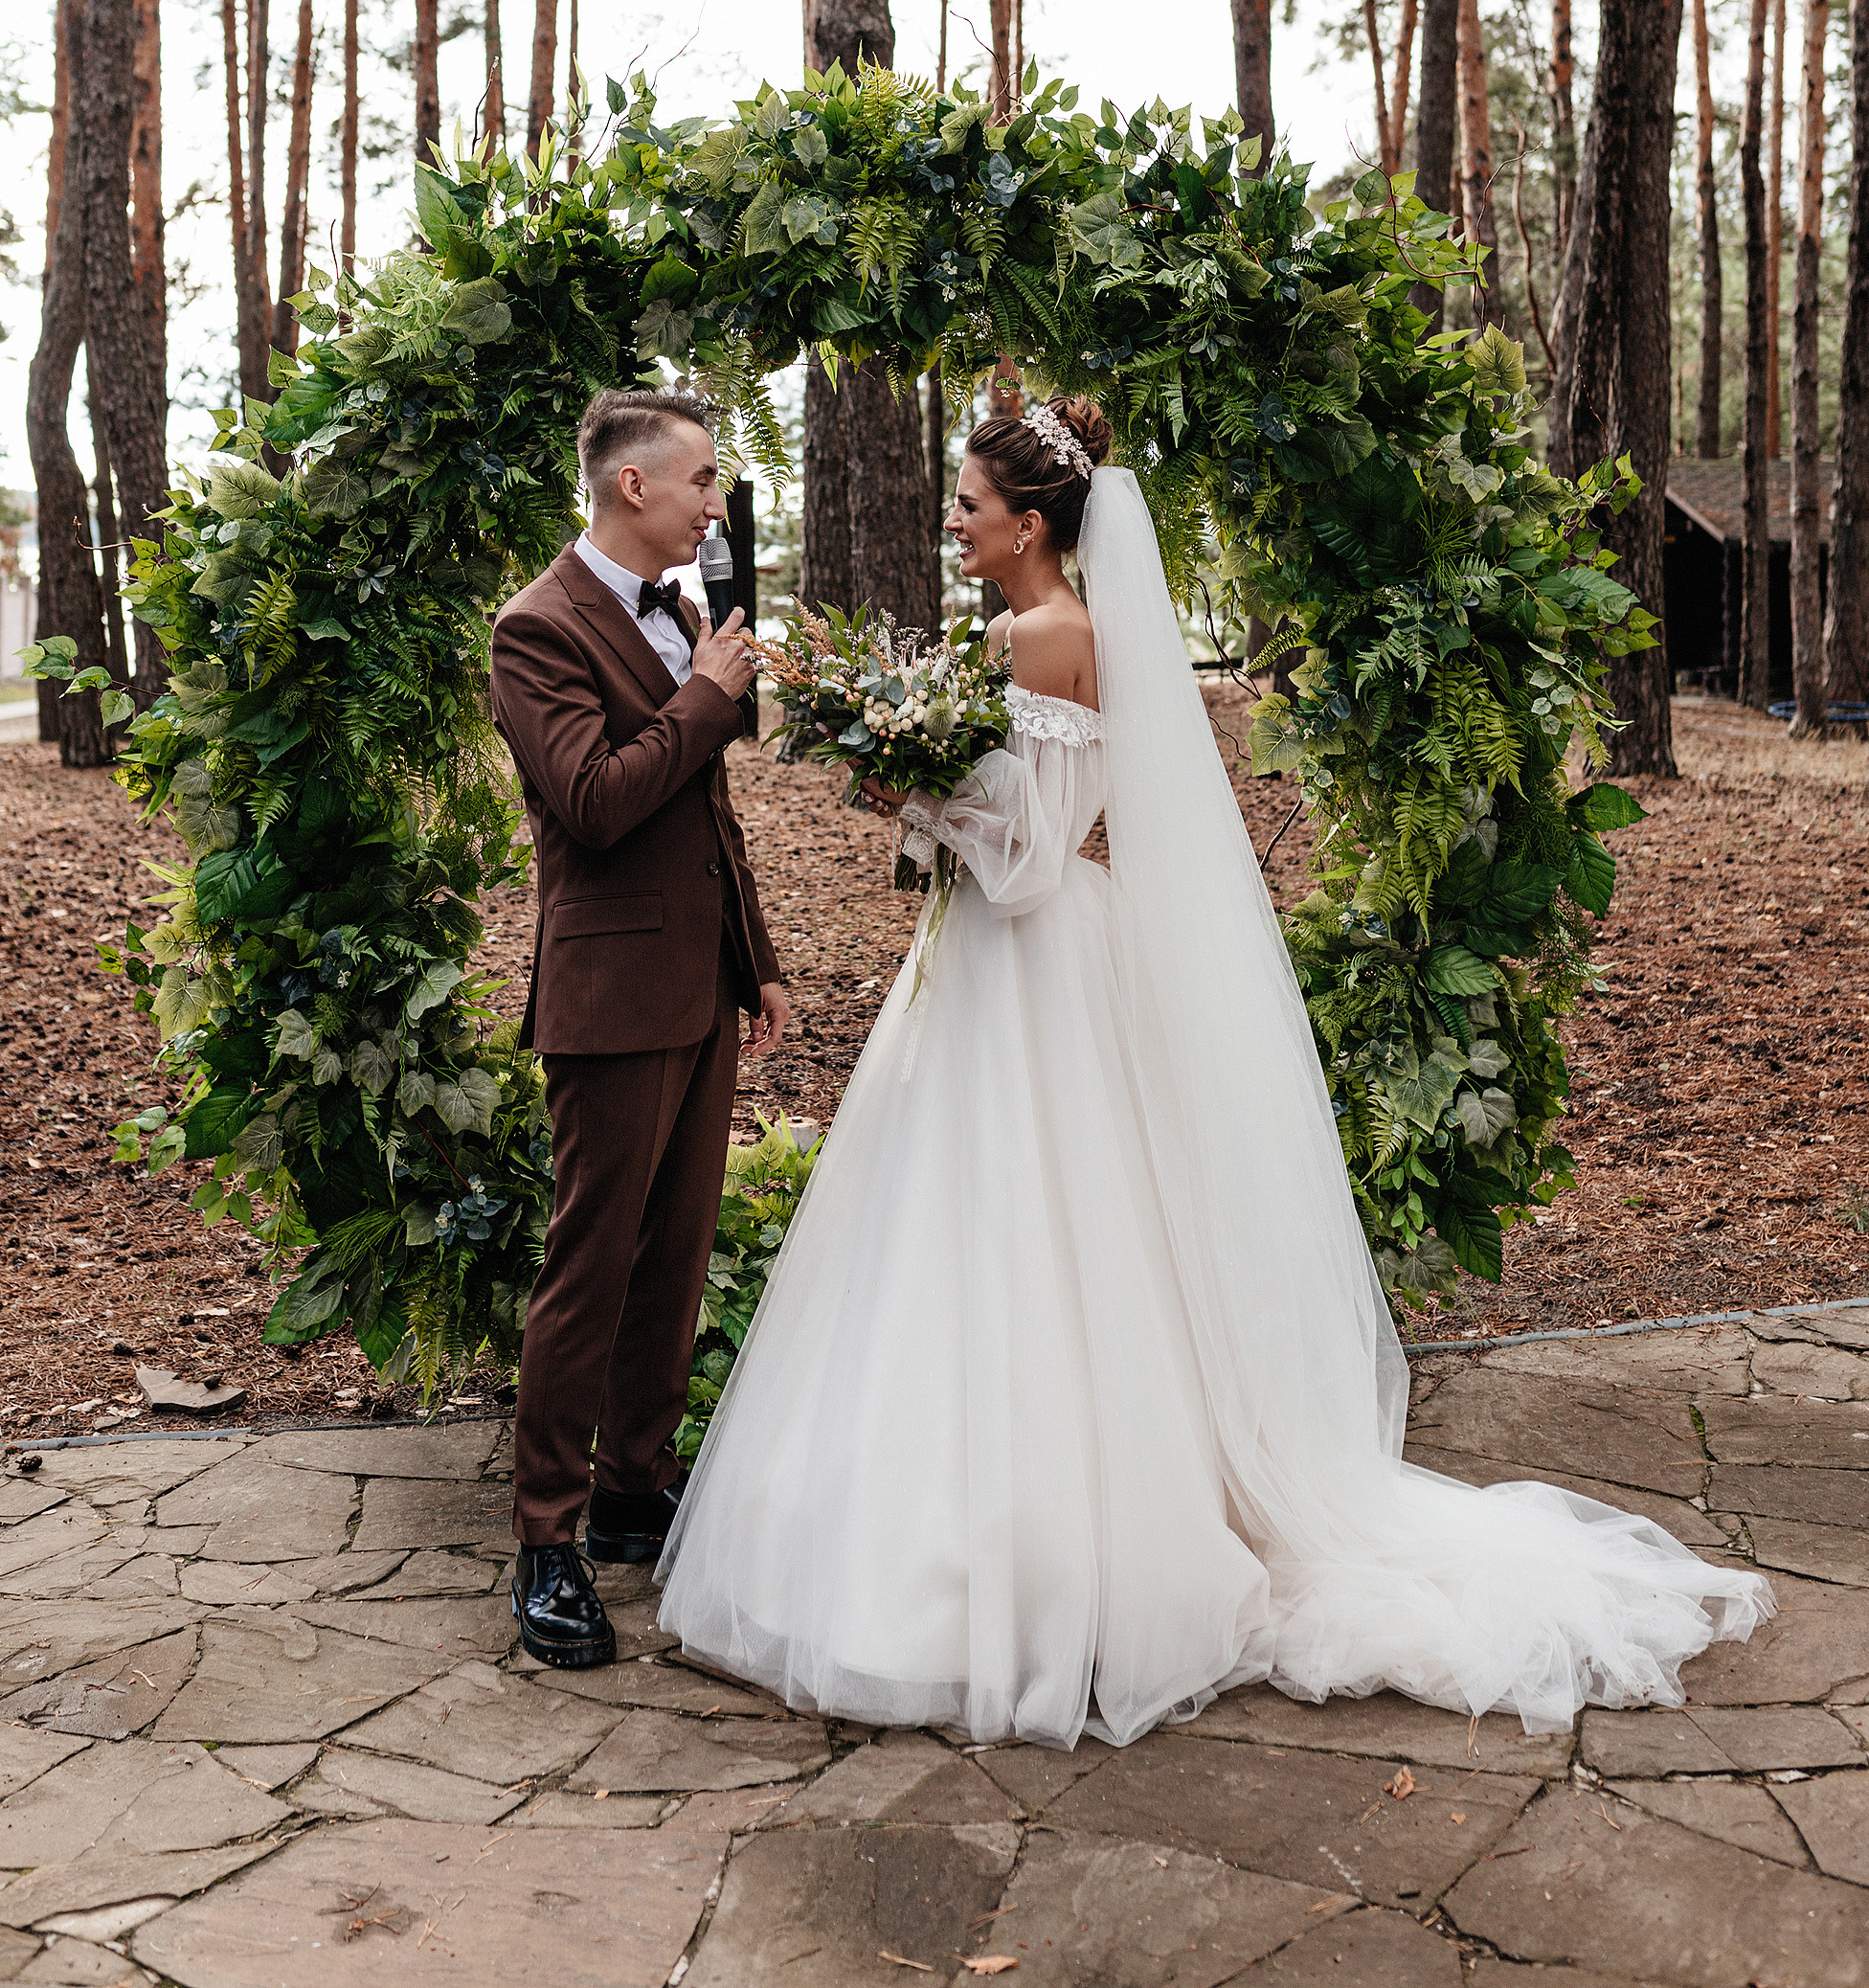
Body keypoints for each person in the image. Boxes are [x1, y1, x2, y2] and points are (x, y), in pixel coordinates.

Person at [656, 395, 1770, 1746]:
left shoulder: (1041, 637)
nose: (950, 521)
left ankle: (1009, 1557)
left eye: (965, 504)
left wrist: (898, 783)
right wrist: (923, 775)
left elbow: (1024, 860)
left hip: (1030, 965)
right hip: (1047, 961)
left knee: (1010, 1229)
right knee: (1058, 1234)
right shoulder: (1069, 634)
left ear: (1030, 523)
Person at [490, 387, 789, 1669]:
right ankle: (545, 1540)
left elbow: (705, 820)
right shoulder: (537, 630)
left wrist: (758, 961)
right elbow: (600, 805)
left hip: (699, 985)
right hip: (609, 1000)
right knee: (590, 1271)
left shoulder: (679, 613)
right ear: (633, 488)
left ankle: (630, 1488)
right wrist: (711, 697)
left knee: (672, 1259)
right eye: (705, 482)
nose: (716, 504)